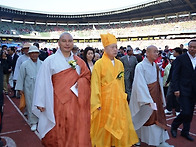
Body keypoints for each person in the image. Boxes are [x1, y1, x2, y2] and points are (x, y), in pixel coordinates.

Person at [32, 32, 91, 147]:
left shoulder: (79, 61)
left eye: (70, 41)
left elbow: (87, 77)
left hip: (75, 102)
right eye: (64, 41)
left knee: (74, 128)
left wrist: (81, 82)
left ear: (73, 43)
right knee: (57, 129)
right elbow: (42, 82)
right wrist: (41, 101)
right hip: (56, 102)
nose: (67, 44)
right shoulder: (50, 61)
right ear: (58, 43)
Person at [90, 33, 138, 147]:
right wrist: (96, 102)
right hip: (105, 101)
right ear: (105, 49)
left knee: (119, 123)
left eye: (116, 47)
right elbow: (95, 84)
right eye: (112, 47)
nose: (115, 49)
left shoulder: (120, 64)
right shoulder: (99, 64)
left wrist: (123, 96)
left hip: (118, 100)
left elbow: (121, 83)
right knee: (104, 126)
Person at [129, 45, 174, 147]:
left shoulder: (156, 66)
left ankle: (159, 141)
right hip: (144, 97)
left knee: (156, 117)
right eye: (154, 51)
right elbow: (139, 84)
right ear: (147, 53)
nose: (156, 53)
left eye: (157, 51)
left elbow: (158, 82)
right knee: (142, 117)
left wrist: (161, 97)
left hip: (155, 96)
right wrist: (147, 99)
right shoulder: (140, 66)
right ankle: (136, 138)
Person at [170, 40, 196, 141]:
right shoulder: (180, 59)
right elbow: (175, 75)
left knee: (189, 113)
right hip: (183, 89)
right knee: (186, 111)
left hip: (194, 91)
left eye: (194, 47)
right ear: (188, 47)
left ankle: (185, 131)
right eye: (191, 47)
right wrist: (176, 89)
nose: (192, 49)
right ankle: (174, 126)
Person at [15, 45, 42, 131]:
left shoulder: (43, 63)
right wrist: (20, 88)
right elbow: (21, 76)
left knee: (41, 103)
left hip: (40, 87)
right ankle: (33, 122)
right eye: (32, 53)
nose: (34, 55)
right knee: (30, 104)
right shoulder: (24, 64)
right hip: (29, 87)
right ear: (29, 54)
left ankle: (41, 120)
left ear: (38, 54)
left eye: (36, 53)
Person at [164, 47, 182, 116]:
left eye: (174, 52)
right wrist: (167, 81)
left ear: (177, 53)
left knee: (177, 96)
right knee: (169, 95)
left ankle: (178, 110)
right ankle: (169, 109)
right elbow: (171, 72)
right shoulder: (174, 61)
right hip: (172, 81)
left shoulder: (182, 61)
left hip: (179, 81)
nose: (173, 53)